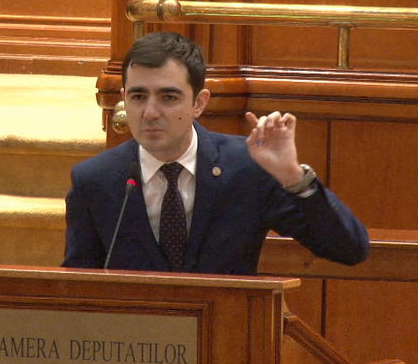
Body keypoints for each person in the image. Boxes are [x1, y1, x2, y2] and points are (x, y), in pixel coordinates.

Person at [62, 31, 369, 274]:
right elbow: (77, 285)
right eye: (138, 97)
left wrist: (293, 177)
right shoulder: (96, 179)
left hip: (226, 331)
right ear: (124, 98)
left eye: (168, 97)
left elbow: (349, 250)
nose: (150, 112)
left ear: (199, 103)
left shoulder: (247, 168)